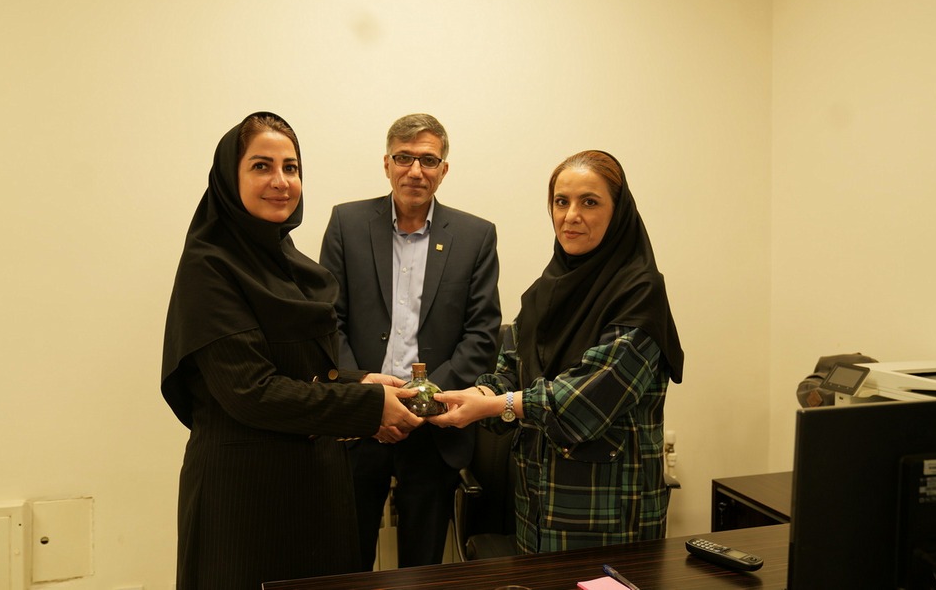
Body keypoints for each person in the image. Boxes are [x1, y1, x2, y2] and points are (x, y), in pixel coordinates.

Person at [161, 111, 424, 589]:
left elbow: (302, 370)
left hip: (314, 491)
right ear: (229, 177)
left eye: (291, 167)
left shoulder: (289, 264)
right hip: (244, 501)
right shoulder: (210, 267)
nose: (281, 181)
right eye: (261, 166)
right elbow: (251, 391)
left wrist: (360, 380)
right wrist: (368, 406)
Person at [430, 149, 685, 553]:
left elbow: (586, 402)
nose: (571, 216)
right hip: (537, 510)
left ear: (618, 211)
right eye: (561, 201)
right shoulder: (544, 292)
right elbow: (511, 369)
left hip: (608, 516)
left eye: (590, 202)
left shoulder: (640, 293)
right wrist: (479, 393)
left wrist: (496, 405)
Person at [319, 113, 502, 569]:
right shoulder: (346, 223)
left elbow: (482, 334)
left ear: (444, 169)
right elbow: (326, 322)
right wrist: (369, 399)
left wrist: (422, 403)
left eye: (428, 160)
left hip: (434, 428)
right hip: (360, 423)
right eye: (404, 158)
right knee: (346, 563)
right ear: (387, 164)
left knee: (423, 570)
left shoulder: (476, 236)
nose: (415, 170)